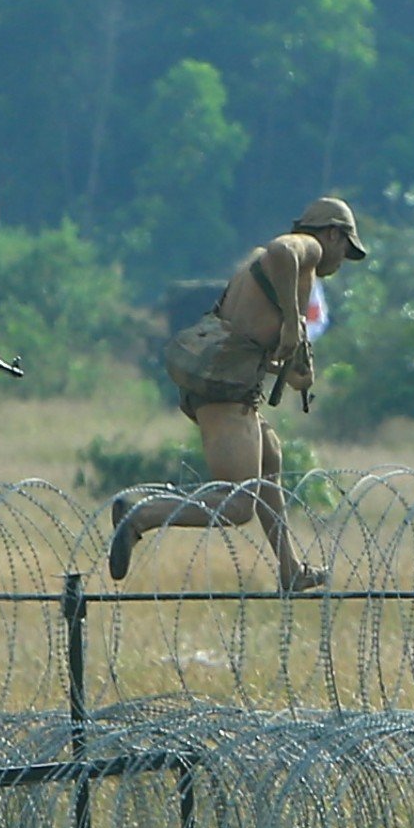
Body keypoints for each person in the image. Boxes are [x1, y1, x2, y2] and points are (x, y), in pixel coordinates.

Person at [108, 197, 369, 591]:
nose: (343, 259)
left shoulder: (282, 274)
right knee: (238, 504)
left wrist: (290, 366)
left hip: (225, 381)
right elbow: (283, 250)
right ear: (333, 234)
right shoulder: (305, 250)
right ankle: (141, 514)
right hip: (225, 390)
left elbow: (249, 339)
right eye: (346, 248)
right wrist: (293, 325)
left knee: (270, 456)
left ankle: (290, 569)